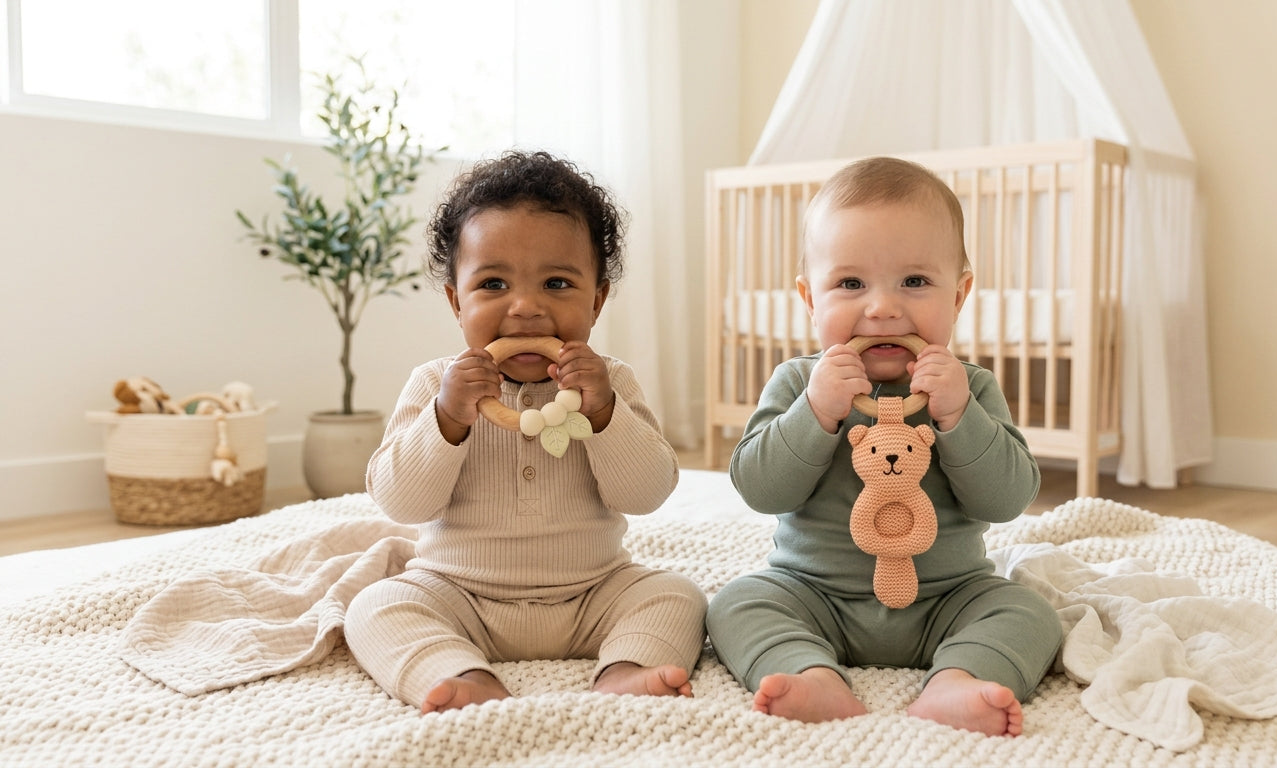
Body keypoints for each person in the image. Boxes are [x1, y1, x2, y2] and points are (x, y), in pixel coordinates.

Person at [705, 157, 1060, 736]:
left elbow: (1007, 500)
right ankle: (810, 672)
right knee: (735, 603)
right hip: (813, 594)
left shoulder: (971, 388)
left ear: (959, 295)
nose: (883, 308)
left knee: (1028, 611)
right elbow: (760, 490)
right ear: (810, 299)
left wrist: (959, 417)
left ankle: (957, 680)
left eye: (914, 282)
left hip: (947, 598)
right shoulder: (798, 383)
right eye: (850, 284)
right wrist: (815, 413)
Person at [345, 150, 706, 714]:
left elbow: (647, 493)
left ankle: (626, 669)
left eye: (557, 283)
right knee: (375, 605)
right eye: (493, 283)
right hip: (459, 593)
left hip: (592, 592)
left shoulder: (610, 381)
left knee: (677, 594)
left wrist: (604, 412)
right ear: (456, 301)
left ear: (597, 301)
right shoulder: (435, 384)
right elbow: (401, 502)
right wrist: (447, 418)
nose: (526, 308)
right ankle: (459, 673)